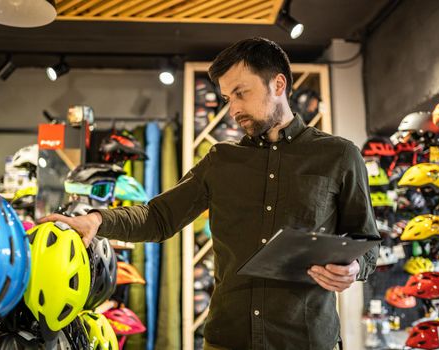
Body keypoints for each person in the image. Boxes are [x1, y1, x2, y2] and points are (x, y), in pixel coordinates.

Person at [41, 37, 379, 350]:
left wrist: (354, 267)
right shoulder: (221, 160)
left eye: (241, 93)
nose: (232, 110)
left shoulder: (339, 156)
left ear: (278, 84)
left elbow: (366, 243)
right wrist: (97, 220)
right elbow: (158, 217)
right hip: (227, 339)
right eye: (227, 98)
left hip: (306, 340)